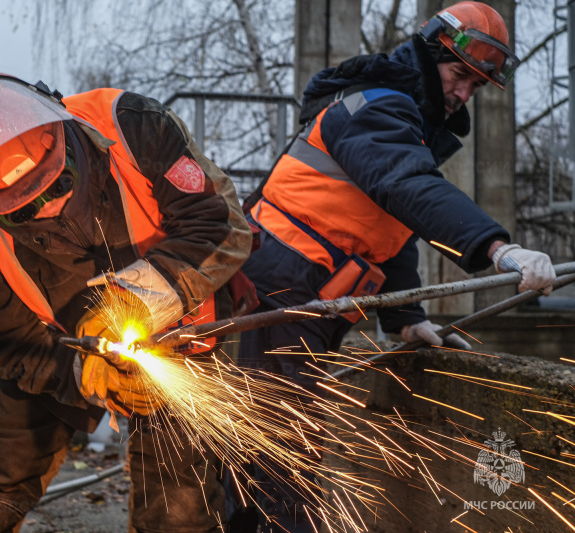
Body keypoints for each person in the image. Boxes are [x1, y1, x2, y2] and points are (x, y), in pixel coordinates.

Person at [232, 2, 557, 531]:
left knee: (277, 443)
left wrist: (405, 317)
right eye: (459, 76)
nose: (463, 94)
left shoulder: (397, 116)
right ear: (429, 59)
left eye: (475, 87)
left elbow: (391, 222)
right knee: (278, 453)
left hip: (302, 293)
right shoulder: (374, 108)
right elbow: (407, 186)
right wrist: (498, 249)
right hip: (280, 290)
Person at [0, 73, 252, 532]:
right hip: (60, 351)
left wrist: (134, 302)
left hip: (180, 337)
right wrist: (81, 373)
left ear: (64, 135)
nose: (47, 211)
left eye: (56, 186)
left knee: (179, 507)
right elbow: (13, 343)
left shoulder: (132, 126)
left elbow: (221, 225)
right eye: (21, 210)